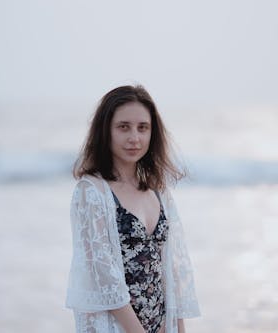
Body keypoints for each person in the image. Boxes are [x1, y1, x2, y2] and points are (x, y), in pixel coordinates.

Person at [66, 85, 200, 333]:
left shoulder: (158, 192)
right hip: (117, 327)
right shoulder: (92, 192)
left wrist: (178, 327)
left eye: (143, 128)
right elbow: (103, 275)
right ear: (105, 131)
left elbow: (170, 271)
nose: (134, 138)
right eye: (123, 127)